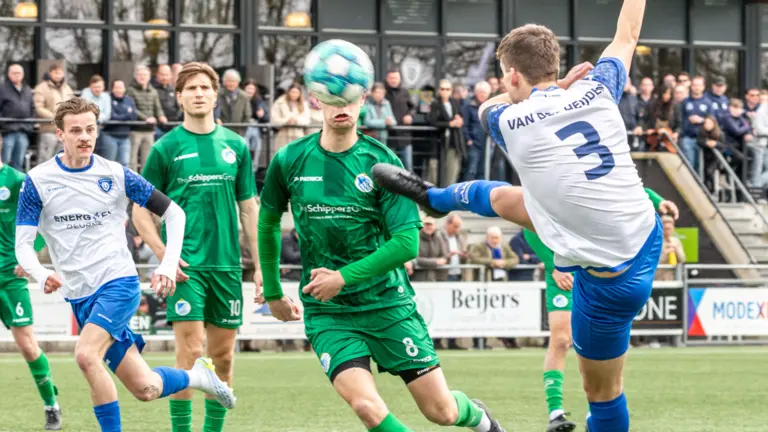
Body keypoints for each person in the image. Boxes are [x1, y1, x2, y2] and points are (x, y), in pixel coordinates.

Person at [371, 2, 659, 431]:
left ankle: (436, 197)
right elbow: (627, 34)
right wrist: (563, 85)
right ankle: (433, 196)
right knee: (511, 199)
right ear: (554, 63)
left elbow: (491, 105)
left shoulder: (508, 117)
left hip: (608, 277)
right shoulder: (599, 88)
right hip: (643, 233)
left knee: (602, 393)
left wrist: (549, 86)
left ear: (511, 76)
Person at [257, 88, 506, 431]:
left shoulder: (382, 162)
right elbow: (268, 220)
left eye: (349, 98)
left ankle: (479, 417)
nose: (341, 107)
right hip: (330, 312)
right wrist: (272, 291)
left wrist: (341, 277)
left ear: (363, 102)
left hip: (387, 304)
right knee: (366, 407)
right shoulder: (289, 159)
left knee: (442, 412)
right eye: (332, 98)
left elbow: (406, 244)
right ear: (317, 102)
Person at [14, 97, 235, 432]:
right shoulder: (38, 180)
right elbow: (23, 245)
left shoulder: (116, 174)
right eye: (76, 130)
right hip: (78, 295)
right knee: (145, 388)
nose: (85, 136)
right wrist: (42, 272)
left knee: (86, 355)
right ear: (59, 134)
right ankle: (197, 376)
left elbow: (174, 213)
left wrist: (166, 263)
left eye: (90, 129)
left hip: (118, 282)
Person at [131, 62, 261, 432]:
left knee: (222, 358)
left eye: (205, 87)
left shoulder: (236, 146)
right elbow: (140, 213)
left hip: (227, 267)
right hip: (186, 270)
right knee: (190, 354)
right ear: (178, 97)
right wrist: (164, 256)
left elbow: (249, 209)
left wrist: (263, 266)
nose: (199, 94)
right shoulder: (165, 148)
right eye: (191, 89)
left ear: (216, 95)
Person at [522, 187, 677, 431]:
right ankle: (556, 412)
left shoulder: (583, 163)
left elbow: (624, 185)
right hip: (562, 270)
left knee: (606, 354)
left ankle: (597, 410)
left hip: (592, 264)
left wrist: (659, 200)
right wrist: (553, 265)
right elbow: (527, 224)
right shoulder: (547, 172)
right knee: (561, 340)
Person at [0, 140, 62, 430]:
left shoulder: (16, 181)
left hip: (10, 276)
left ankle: (51, 403)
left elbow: (43, 219)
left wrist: (30, 255)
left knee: (26, 345)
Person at [33, 63, 74, 164]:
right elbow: (38, 108)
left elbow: (73, 105)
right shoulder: (41, 88)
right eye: (56, 73)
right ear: (50, 73)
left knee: (62, 160)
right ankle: (41, 180)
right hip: (48, 130)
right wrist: (55, 117)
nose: (58, 75)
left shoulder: (67, 88)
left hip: (65, 131)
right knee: (44, 160)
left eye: (60, 73)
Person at [0, 64, 35, 171]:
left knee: (19, 162)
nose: (17, 75)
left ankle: (17, 186)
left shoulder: (27, 89)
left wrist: (30, 125)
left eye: (19, 73)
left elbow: (32, 108)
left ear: (23, 74)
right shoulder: (2, 89)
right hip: (7, 131)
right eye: (14, 73)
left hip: (23, 131)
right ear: (9, 74)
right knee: (4, 161)